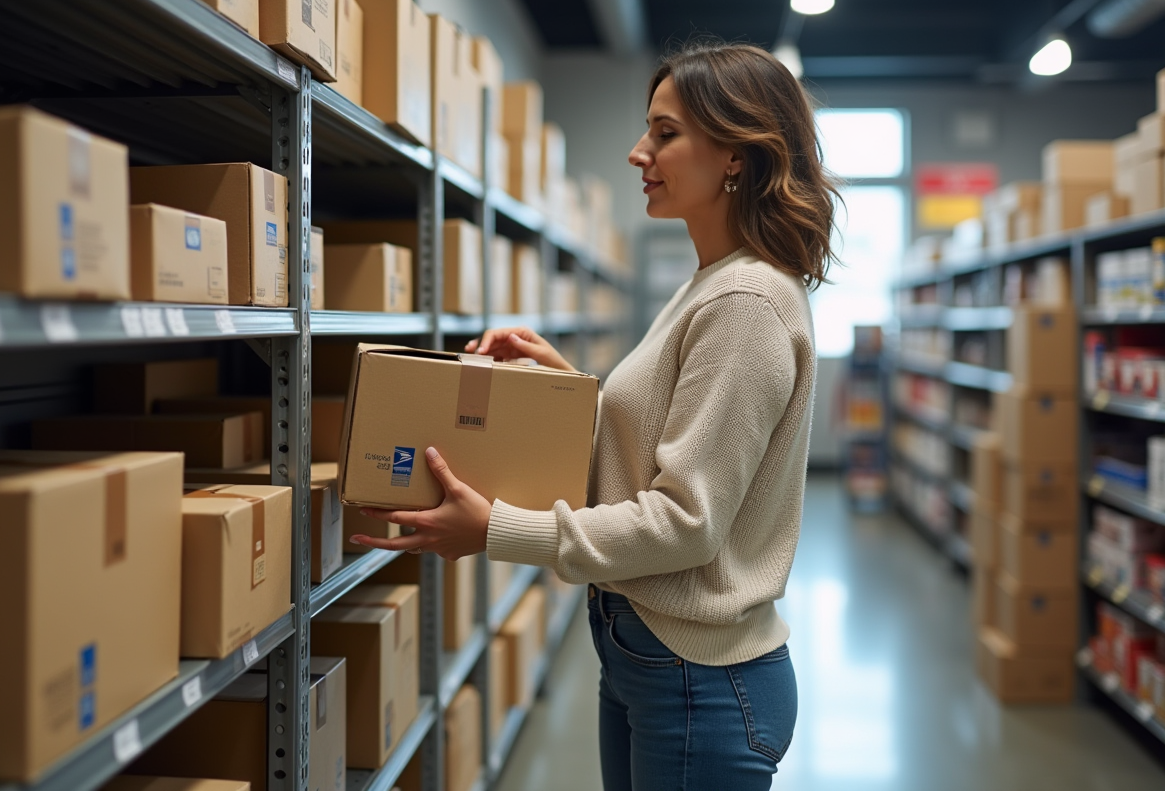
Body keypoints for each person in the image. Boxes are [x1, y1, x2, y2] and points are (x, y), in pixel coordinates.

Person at [350, 39, 838, 790]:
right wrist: (566, 389)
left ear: (737, 155)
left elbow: (686, 520)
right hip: (648, 655)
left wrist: (496, 531)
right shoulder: (714, 282)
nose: (640, 151)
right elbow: (669, 435)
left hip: (697, 678)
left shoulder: (745, 302)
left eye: (666, 133)